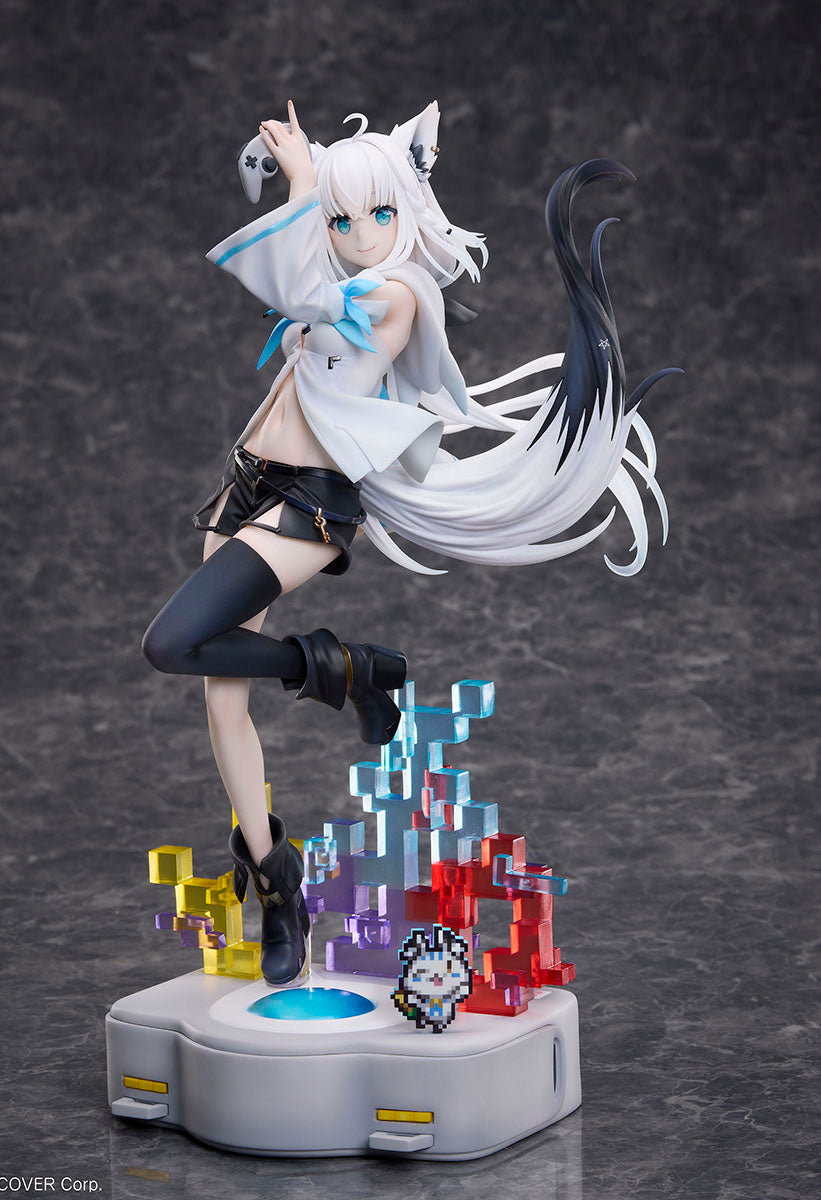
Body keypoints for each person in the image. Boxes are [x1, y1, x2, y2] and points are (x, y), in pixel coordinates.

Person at [142, 100, 677, 987]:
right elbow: (303, 293)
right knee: (220, 698)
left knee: (171, 642)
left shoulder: (395, 295)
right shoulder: (338, 275)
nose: (359, 235)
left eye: (377, 214)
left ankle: (344, 667)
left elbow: (306, 297)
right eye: (340, 220)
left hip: (307, 505)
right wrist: (306, 195)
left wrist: (305, 185)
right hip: (245, 484)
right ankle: (277, 882)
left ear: (408, 209)